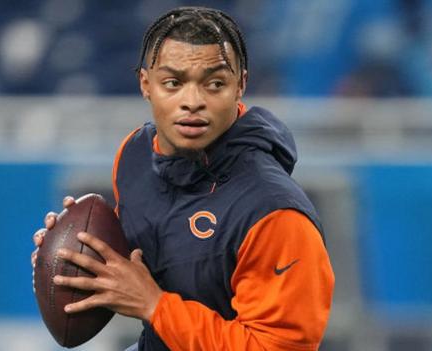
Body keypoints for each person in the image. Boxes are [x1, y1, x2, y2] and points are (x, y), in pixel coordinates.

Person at [31, 6, 334, 351]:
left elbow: (278, 348)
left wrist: (155, 306)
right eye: (173, 83)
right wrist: (80, 260)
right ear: (146, 84)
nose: (192, 102)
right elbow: (164, 248)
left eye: (215, 84)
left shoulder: (275, 214)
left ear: (241, 86)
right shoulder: (134, 154)